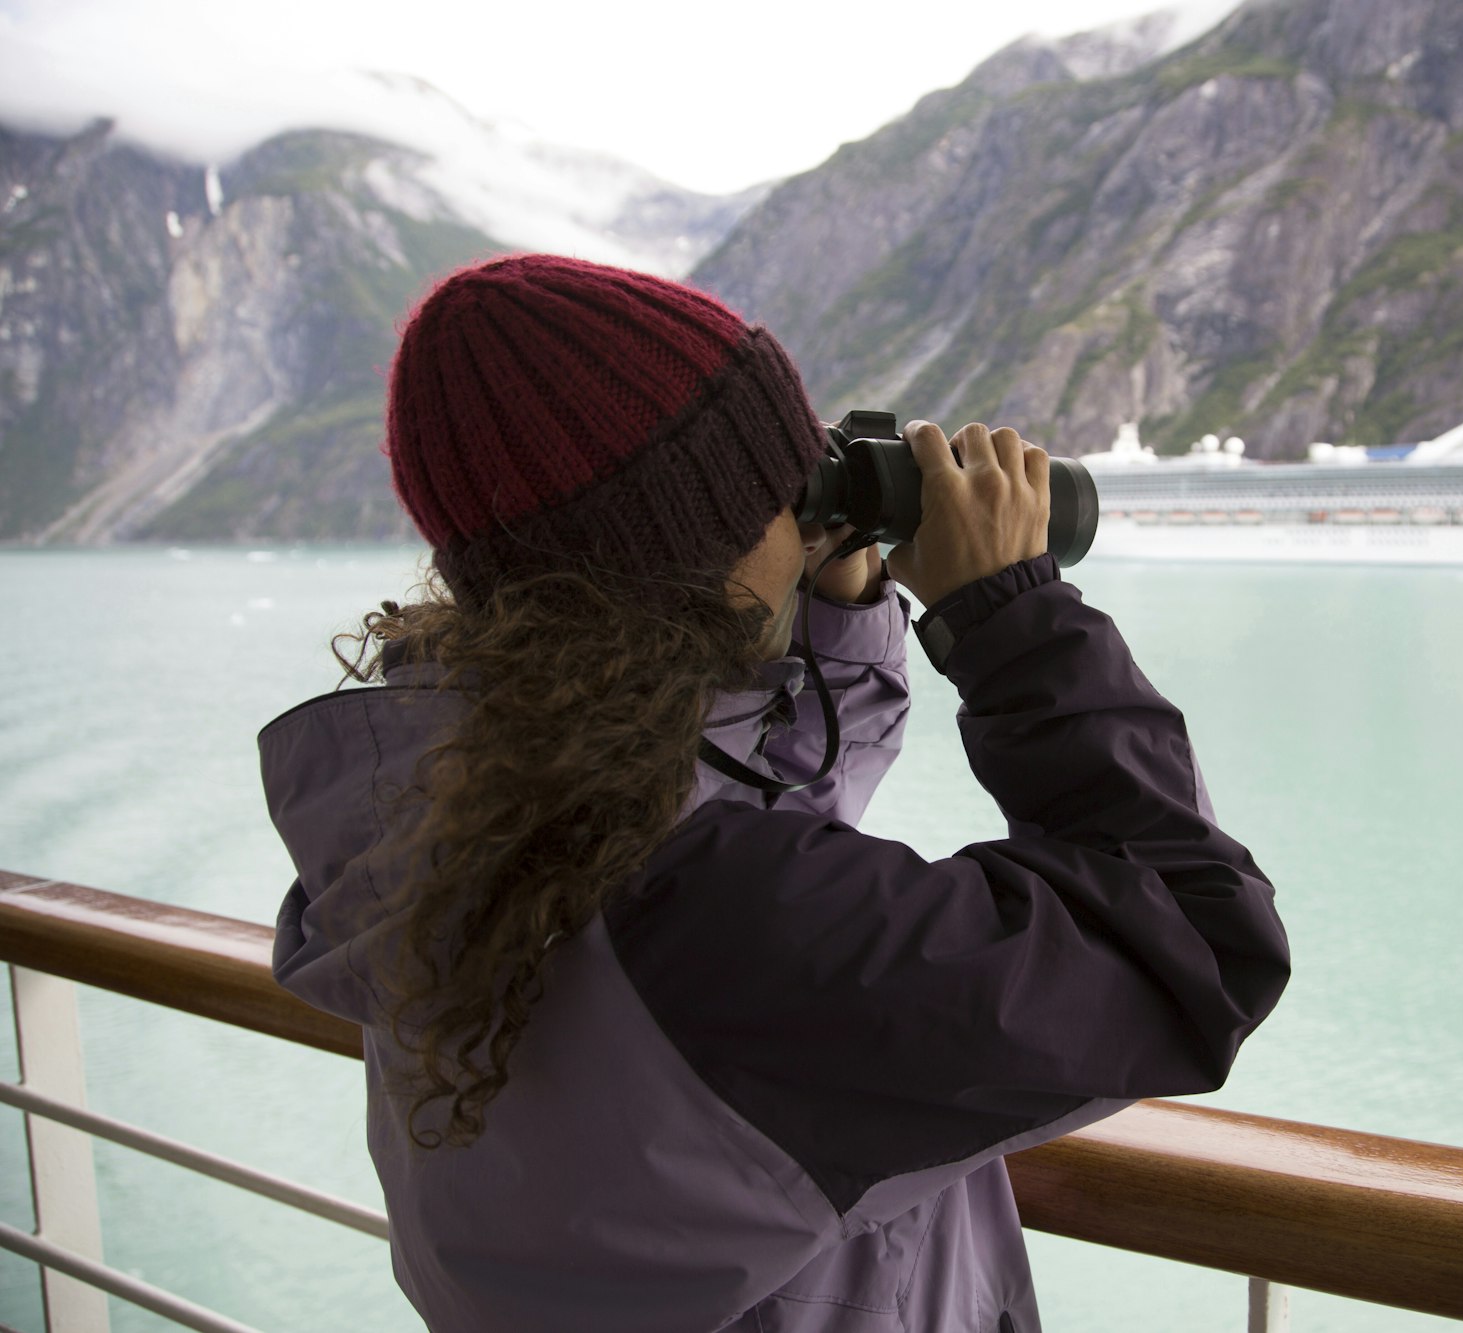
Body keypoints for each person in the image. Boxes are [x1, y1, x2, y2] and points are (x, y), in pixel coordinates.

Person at [259, 253, 1288, 1333]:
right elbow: (1195, 949)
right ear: (688, 561)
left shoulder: (471, 828)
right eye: (781, 495)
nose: (807, 524)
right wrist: (1009, 621)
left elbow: (740, 834)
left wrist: (835, 613)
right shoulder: (719, 918)